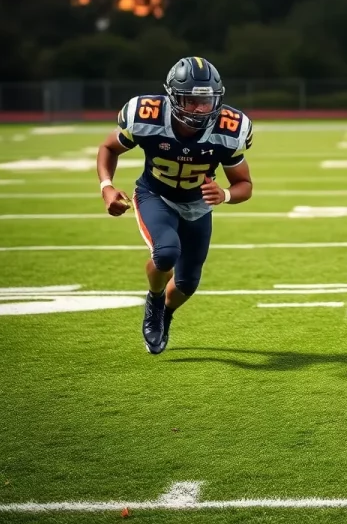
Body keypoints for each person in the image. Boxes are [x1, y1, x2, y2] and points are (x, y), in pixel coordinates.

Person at [96, 57, 253, 354]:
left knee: (188, 282)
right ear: (173, 96)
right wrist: (107, 187)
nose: (199, 108)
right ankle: (154, 300)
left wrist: (226, 195)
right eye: (191, 100)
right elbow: (109, 147)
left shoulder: (230, 128)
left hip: (197, 207)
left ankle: (165, 313)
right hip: (156, 196)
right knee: (167, 252)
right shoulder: (146, 116)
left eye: (206, 101)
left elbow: (245, 185)